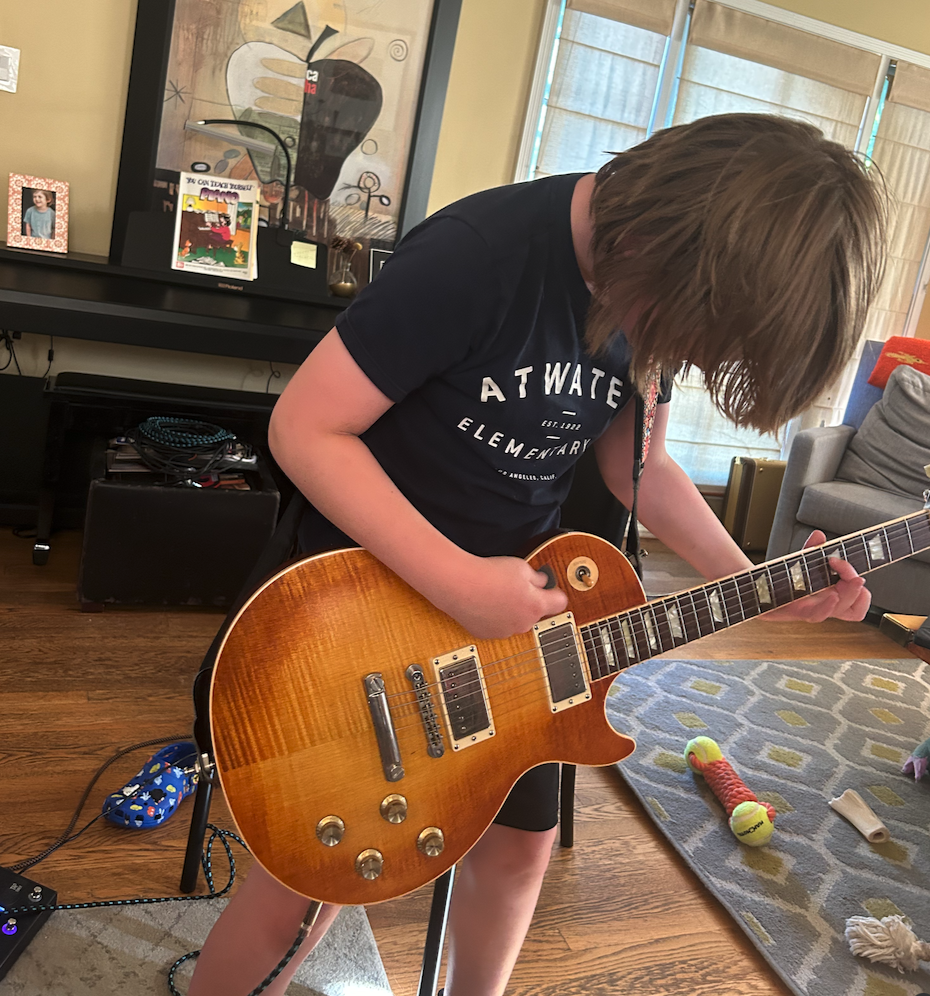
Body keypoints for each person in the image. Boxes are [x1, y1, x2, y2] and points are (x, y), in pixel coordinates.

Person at [187, 113, 886, 996]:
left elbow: (640, 464)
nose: (678, 353)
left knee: (522, 852)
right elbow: (305, 427)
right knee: (307, 893)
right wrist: (456, 582)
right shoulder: (480, 254)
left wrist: (750, 581)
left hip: (519, 634)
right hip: (361, 614)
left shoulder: (658, 281)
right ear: (659, 241)